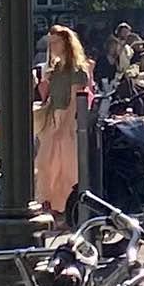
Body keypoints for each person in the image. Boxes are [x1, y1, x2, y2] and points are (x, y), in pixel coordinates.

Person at [35, 24, 93, 215]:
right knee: (44, 164)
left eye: (56, 42)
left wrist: (64, 127)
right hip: (52, 118)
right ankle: (49, 203)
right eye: (51, 43)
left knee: (67, 168)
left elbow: (75, 101)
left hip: (67, 120)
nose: (52, 47)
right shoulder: (55, 68)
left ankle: (68, 209)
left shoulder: (77, 70)